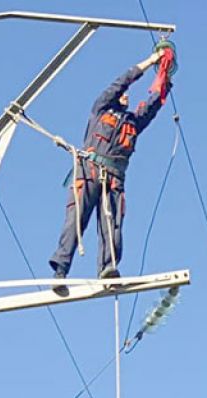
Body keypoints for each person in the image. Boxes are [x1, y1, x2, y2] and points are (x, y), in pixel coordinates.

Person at [49, 50, 172, 292]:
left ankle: (108, 269)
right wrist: (149, 62)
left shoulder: (132, 123)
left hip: (114, 179)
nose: (126, 95)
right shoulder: (101, 109)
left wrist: (165, 73)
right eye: (123, 94)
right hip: (89, 172)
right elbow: (121, 82)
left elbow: (153, 104)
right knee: (75, 221)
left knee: (112, 226)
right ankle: (61, 271)